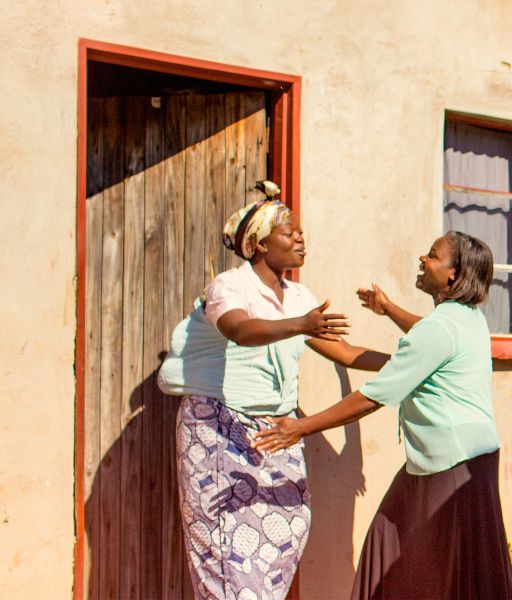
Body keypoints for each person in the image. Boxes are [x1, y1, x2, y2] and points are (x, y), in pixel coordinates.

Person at [251, 232, 512, 600]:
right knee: (391, 547)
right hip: (457, 459)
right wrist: (388, 308)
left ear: (454, 275)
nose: (423, 259)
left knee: (454, 575)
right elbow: (426, 333)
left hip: (455, 464)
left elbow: (375, 396)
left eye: (433, 255)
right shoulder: (466, 318)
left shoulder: (440, 327)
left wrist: (300, 427)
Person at [158, 186, 390, 600]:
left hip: (276, 430)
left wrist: (411, 362)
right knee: (227, 548)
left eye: (301, 233)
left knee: (291, 524)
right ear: (261, 244)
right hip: (219, 428)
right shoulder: (229, 286)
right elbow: (239, 330)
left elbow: (347, 353)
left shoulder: (299, 297)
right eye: (290, 233)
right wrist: (299, 326)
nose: (301, 239)